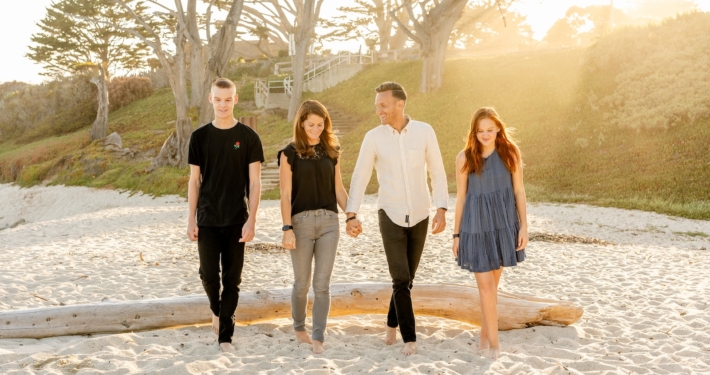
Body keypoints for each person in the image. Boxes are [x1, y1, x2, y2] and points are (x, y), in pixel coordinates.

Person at [346, 82, 448, 356]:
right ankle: (409, 339)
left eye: (383, 104)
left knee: (407, 279)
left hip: (421, 213)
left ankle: (391, 323)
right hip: (389, 214)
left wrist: (441, 207)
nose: (378, 109)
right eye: (377, 104)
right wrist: (351, 214)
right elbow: (360, 176)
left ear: (399, 104)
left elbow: (437, 172)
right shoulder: (373, 137)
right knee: (401, 278)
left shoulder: (425, 132)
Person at [186, 77, 264, 354]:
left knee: (232, 280)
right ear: (210, 99)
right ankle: (217, 311)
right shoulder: (199, 137)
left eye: (227, 99)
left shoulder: (249, 137)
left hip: (236, 220)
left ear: (235, 99)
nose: (222, 104)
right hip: (207, 218)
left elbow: (255, 183)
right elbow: (194, 181)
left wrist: (252, 219)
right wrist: (190, 218)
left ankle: (225, 337)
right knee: (208, 276)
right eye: (218, 99)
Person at [451, 107, 528, 360]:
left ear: (498, 129)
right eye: (480, 130)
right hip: (475, 228)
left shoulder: (510, 153)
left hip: (503, 225)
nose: (485, 135)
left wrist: (524, 226)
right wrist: (456, 235)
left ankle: (484, 339)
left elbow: (519, 191)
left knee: (492, 288)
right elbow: (461, 198)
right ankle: (495, 346)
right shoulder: (465, 158)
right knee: (485, 289)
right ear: (474, 132)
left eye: (490, 130)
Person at [278, 100, 349, 354]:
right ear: (301, 123)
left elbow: (339, 190)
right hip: (301, 223)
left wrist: (351, 215)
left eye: (320, 124)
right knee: (301, 283)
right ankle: (299, 327)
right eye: (311, 124)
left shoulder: (332, 150)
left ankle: (318, 336)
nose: (316, 129)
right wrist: (287, 228)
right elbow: (285, 194)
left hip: (330, 222)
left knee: (322, 284)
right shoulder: (289, 153)